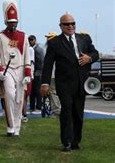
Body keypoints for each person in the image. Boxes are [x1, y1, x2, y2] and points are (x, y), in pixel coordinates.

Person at [40, 13, 99, 152]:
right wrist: (45, 83)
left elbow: (95, 53)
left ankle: (76, 141)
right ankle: (66, 142)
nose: (70, 26)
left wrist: (89, 58)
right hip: (64, 84)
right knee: (66, 112)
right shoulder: (55, 42)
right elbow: (48, 64)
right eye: (67, 24)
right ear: (61, 26)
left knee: (78, 114)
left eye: (73, 23)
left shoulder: (84, 38)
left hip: (81, 84)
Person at [0, 0, 32, 137]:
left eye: (15, 21)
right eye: (10, 22)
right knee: (9, 94)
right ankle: (10, 125)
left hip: (21, 69)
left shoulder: (24, 36)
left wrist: (28, 72)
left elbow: (27, 56)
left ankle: (17, 126)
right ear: (6, 22)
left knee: (19, 99)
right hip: (7, 70)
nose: (13, 24)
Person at [29, 35, 44, 113]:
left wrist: (37, 71)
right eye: (29, 40)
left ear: (35, 40)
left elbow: (41, 62)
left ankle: (38, 108)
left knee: (37, 91)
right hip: (33, 72)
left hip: (38, 72)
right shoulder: (32, 49)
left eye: (31, 40)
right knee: (32, 91)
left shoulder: (38, 49)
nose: (30, 41)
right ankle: (32, 107)